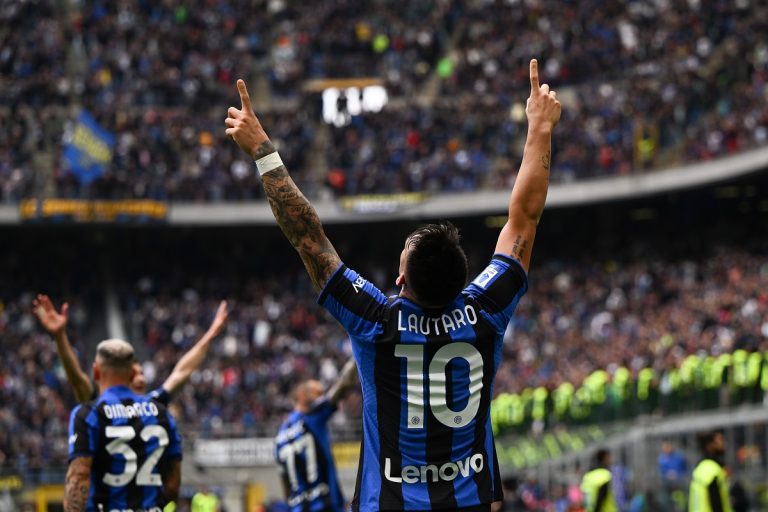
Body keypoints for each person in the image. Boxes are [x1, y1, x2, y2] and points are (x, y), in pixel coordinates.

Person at [225, 58, 560, 511]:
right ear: (463, 278)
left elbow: (308, 237)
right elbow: (525, 216)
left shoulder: (376, 320)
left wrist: (263, 151)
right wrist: (540, 127)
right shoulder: (487, 309)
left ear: (401, 279)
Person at [33, 294, 228, 405]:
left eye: (142, 373)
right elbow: (77, 379)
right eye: (135, 374)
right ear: (123, 377)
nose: (141, 378)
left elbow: (182, 371)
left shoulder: (151, 405)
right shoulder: (100, 407)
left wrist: (211, 334)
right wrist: (60, 337)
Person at [65, 339, 182, 511]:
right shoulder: (162, 414)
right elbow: (173, 485)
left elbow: (79, 475)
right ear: (132, 373)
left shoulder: (89, 414)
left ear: (96, 371)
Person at [275, 359, 358, 512]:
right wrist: (357, 358)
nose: (322, 397)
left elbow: (284, 481)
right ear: (302, 395)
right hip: (324, 504)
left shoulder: (279, 436)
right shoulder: (312, 416)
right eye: (318, 393)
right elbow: (342, 385)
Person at [689, 431, 732, 512]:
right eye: (719, 440)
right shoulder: (709, 468)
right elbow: (715, 500)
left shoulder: (703, 466)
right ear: (710, 445)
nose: (723, 444)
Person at [658, 439, 687, 511]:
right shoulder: (661, 459)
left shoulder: (679, 457)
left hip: (679, 486)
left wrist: (678, 475)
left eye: (668, 446)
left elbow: (685, 469)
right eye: (664, 447)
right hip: (667, 487)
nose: (666, 448)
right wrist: (667, 475)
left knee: (680, 505)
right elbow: (661, 472)